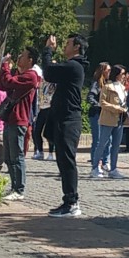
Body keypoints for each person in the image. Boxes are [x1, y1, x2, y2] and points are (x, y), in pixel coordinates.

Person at [43, 34, 86, 218]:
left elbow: (49, 72)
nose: (64, 46)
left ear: (77, 47)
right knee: (63, 159)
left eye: (68, 43)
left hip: (69, 119)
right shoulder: (73, 66)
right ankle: (68, 199)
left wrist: (48, 49)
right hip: (64, 118)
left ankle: (72, 202)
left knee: (67, 160)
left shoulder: (73, 65)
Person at [0, 50, 42, 201]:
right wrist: (5, 69)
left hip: (19, 120)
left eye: (22, 55)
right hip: (10, 120)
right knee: (8, 157)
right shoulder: (21, 74)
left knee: (17, 157)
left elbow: (9, 82)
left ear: (30, 60)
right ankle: (14, 187)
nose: (19, 57)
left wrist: (5, 65)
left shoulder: (31, 76)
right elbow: (4, 85)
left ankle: (19, 189)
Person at [93, 64, 126, 178]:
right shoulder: (107, 86)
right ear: (117, 74)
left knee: (116, 145)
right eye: (122, 74)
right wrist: (117, 108)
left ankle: (113, 168)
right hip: (108, 119)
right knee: (102, 143)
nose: (124, 76)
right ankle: (95, 166)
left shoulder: (122, 87)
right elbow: (102, 102)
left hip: (120, 120)